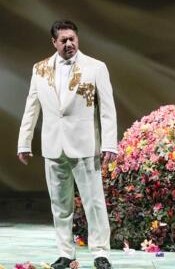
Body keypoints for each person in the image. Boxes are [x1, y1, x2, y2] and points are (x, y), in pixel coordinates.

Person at [17, 20, 118, 269]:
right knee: (60, 205)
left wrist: (109, 144)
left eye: (72, 38)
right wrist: (24, 142)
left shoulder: (96, 67)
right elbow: (31, 107)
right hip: (53, 146)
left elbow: (107, 109)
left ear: (77, 39)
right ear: (54, 42)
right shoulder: (40, 69)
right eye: (63, 40)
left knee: (94, 203)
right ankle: (65, 254)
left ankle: (101, 253)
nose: (69, 43)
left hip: (85, 145)